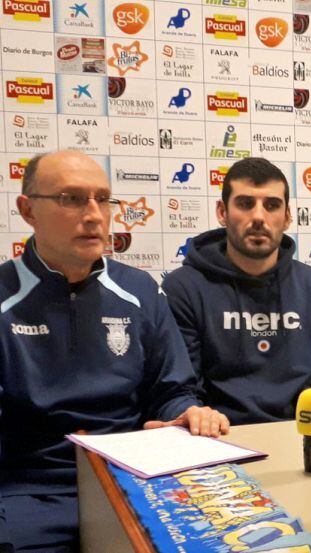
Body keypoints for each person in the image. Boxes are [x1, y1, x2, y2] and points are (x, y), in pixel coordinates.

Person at [0, 150, 229, 552]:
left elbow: (172, 390)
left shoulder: (139, 290)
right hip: (32, 490)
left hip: (133, 479)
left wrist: (187, 413)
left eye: (103, 199)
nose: (94, 215)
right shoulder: (5, 296)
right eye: (72, 199)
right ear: (28, 210)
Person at [163, 157, 311, 424]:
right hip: (220, 437)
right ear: (222, 212)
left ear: (287, 217)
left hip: (302, 434)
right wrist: (196, 417)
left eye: (272, 205)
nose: (258, 217)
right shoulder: (184, 288)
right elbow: (180, 392)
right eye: (245, 204)